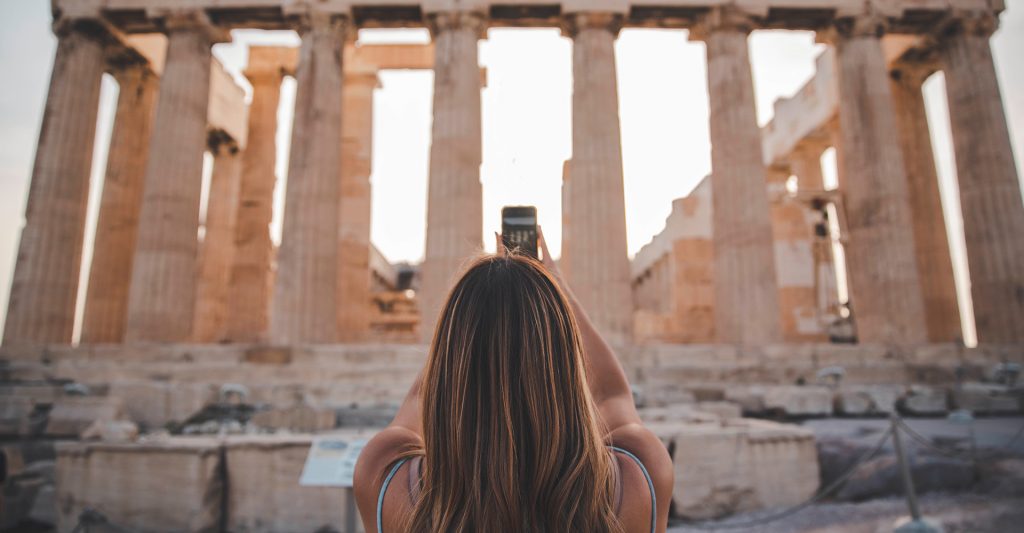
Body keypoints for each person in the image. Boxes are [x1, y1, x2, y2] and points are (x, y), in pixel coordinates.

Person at [354, 228, 673, 532]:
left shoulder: (384, 478)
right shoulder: (639, 478)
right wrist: (557, 289)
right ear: (564, 360)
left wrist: (466, 329)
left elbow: (419, 400)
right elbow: (612, 394)